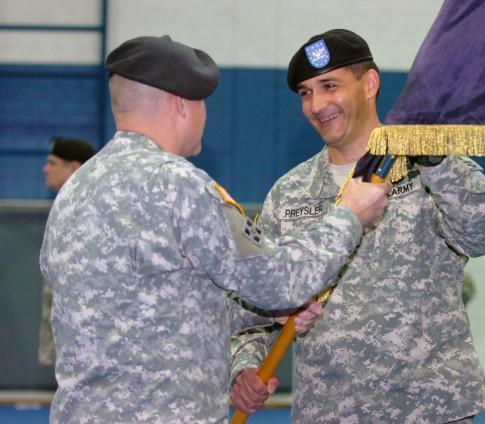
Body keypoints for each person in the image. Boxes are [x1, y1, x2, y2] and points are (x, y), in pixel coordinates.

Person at [39, 35, 391, 424]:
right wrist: (349, 215)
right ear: (181, 104)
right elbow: (279, 281)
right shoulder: (178, 185)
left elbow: (153, 313)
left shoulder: (74, 190)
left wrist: (272, 315)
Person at [230, 29, 485, 423]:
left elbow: (483, 235)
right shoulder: (289, 193)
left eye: (330, 85)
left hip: (428, 408)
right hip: (329, 410)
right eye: (306, 93)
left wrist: (438, 162)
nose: (317, 104)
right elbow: (254, 303)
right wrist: (243, 367)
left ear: (370, 83)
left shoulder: (428, 165)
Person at [39, 136, 96, 366]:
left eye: (52, 163)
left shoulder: (91, 207)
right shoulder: (65, 205)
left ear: (74, 167)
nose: (45, 169)